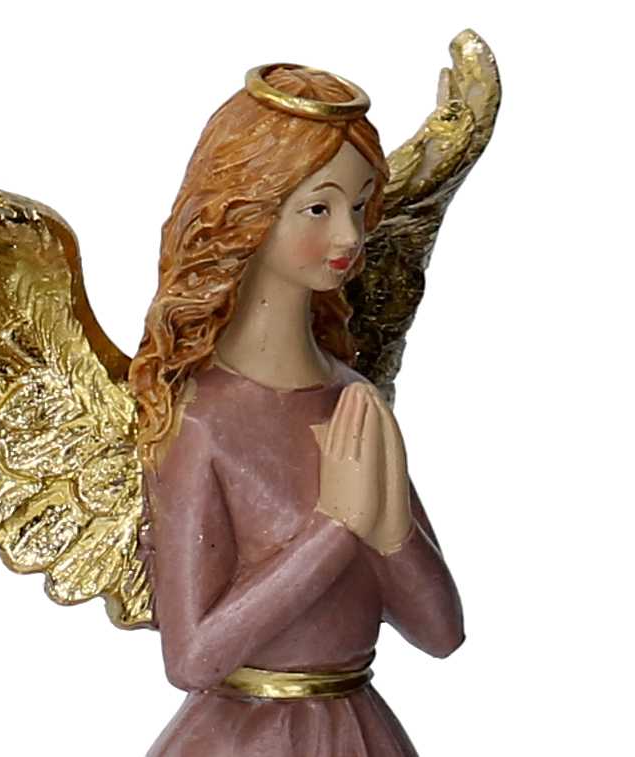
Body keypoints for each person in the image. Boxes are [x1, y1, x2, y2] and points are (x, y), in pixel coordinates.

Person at [129, 64, 463, 757]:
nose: (350, 236)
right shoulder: (198, 419)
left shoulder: (351, 399)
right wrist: (335, 528)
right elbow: (191, 657)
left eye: (359, 207)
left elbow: (441, 633)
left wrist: (388, 528)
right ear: (248, 213)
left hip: (359, 730)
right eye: (319, 209)